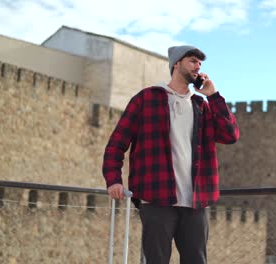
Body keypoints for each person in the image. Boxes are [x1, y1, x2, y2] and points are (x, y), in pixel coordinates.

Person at [102, 45, 239, 264]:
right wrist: (113, 180)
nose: (198, 67)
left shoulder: (201, 106)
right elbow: (116, 144)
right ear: (176, 63)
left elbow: (230, 135)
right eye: (193, 61)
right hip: (157, 199)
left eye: (200, 64)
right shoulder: (146, 99)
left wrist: (213, 96)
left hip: (195, 202)